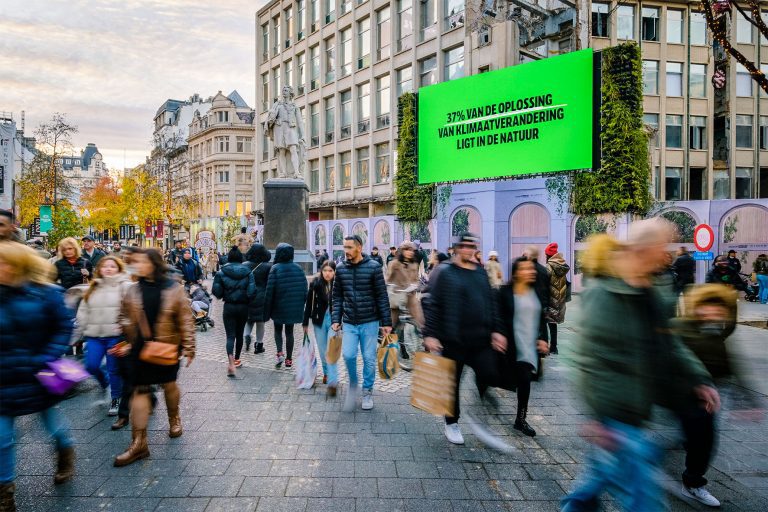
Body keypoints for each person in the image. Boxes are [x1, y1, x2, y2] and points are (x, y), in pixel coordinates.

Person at [562, 220, 718, 512]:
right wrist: (599, 418)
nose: (664, 255)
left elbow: (669, 343)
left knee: (592, 485)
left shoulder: (650, 291)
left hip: (636, 410)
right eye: (660, 248)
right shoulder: (604, 295)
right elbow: (587, 359)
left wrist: (698, 378)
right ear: (641, 250)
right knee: (645, 503)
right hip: (615, 416)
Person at [0, 242, 77, 510]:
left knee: (53, 425)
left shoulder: (46, 294)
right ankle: (5, 493)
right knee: (1, 438)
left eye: (5, 262)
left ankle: (65, 451)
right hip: (4, 375)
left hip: (38, 373)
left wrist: (47, 357)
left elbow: (63, 327)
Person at [421, 233, 506, 445]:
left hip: (480, 339)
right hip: (452, 339)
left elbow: (491, 301)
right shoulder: (444, 271)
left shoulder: (479, 272)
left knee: (489, 374)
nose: (469, 250)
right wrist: (430, 334)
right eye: (465, 246)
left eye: (472, 246)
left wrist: (497, 330)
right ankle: (452, 423)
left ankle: (481, 411)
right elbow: (431, 303)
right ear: (457, 248)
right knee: (452, 384)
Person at [114, 249, 195, 467]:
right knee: (139, 391)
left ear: (154, 264)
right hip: (139, 350)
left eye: (142, 262)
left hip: (167, 347)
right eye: (135, 262)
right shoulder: (132, 290)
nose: (137, 265)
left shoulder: (174, 289)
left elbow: (186, 320)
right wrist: (125, 338)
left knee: (169, 385)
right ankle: (139, 443)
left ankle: (174, 418)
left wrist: (189, 346)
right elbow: (122, 316)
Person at [671, 284, 743, 507]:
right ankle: (693, 482)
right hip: (684, 392)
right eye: (707, 307)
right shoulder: (681, 327)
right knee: (700, 438)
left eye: (718, 309)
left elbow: (731, 355)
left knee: (703, 439)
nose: (713, 313)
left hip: (710, 393)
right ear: (697, 307)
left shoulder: (718, 330)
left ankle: (692, 478)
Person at [332, 235, 392, 411]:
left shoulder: (374, 268)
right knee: (348, 355)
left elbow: (382, 296)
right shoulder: (341, 269)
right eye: (344, 247)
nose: (346, 251)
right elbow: (337, 297)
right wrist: (336, 319)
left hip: (370, 322)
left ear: (359, 247)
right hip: (349, 322)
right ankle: (353, 382)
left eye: (349, 247)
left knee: (369, 358)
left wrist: (386, 322)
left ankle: (367, 391)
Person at [497, 257, 550, 437]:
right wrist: (499, 334)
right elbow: (498, 317)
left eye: (532, 269)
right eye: (527, 269)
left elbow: (542, 319)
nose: (532, 272)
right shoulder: (505, 292)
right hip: (510, 345)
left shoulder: (535, 291)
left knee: (524, 382)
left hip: (528, 346)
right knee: (499, 378)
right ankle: (485, 394)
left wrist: (544, 339)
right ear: (517, 272)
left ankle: (521, 419)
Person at [76, 256, 133, 416]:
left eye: (112, 266)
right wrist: (82, 329)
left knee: (114, 368)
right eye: (105, 266)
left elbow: (132, 309)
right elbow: (83, 310)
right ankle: (104, 383)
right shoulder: (92, 287)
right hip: (94, 335)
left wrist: (124, 327)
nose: (108, 269)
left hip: (115, 336)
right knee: (91, 366)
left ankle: (116, 398)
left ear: (119, 269)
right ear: (99, 269)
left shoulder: (125, 286)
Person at [264, 243, 308, 369]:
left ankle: (279, 353)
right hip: (293, 307)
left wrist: (267, 308)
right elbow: (305, 289)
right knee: (290, 332)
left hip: (278, 305)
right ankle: (289, 359)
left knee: (278, 330)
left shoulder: (275, 268)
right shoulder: (298, 268)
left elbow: (269, 290)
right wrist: (301, 304)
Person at [212, 247, 254, 376]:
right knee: (239, 333)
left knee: (230, 335)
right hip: (243, 307)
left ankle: (230, 359)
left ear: (229, 257)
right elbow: (252, 291)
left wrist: (225, 291)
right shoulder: (248, 272)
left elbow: (217, 292)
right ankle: (236, 359)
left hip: (229, 306)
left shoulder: (221, 272)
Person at [303, 261, 339, 396]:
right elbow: (308, 304)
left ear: (334, 272)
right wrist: (305, 323)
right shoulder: (315, 284)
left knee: (331, 350)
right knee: (323, 350)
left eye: (330, 271)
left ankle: (332, 378)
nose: (328, 273)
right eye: (325, 271)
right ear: (321, 271)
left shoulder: (338, 285)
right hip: (319, 320)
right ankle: (326, 373)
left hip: (334, 321)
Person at [386, 241, 422, 339]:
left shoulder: (414, 264)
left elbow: (416, 279)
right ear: (401, 251)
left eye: (411, 250)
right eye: (407, 250)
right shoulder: (394, 264)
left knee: (420, 321)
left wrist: (415, 285)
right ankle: (385, 344)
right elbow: (388, 279)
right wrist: (391, 286)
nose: (410, 252)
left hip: (410, 298)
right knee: (391, 325)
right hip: (397, 297)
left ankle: (424, 343)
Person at [244, 244, 272, 354]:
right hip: (262, 297)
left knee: (249, 320)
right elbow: (269, 283)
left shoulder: (244, 265)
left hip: (248, 296)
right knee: (260, 322)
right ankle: (259, 345)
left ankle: (246, 335)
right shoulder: (267, 266)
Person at [544, 242, 569, 355]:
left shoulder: (549, 266)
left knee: (546, 322)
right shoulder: (561, 266)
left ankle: (547, 346)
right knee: (552, 323)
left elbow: (545, 282)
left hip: (550, 298)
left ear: (548, 255)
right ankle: (554, 347)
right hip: (559, 299)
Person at [522, 245, 550, 312]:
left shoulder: (525, 269)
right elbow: (547, 290)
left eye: (524, 255)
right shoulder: (543, 270)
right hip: (542, 305)